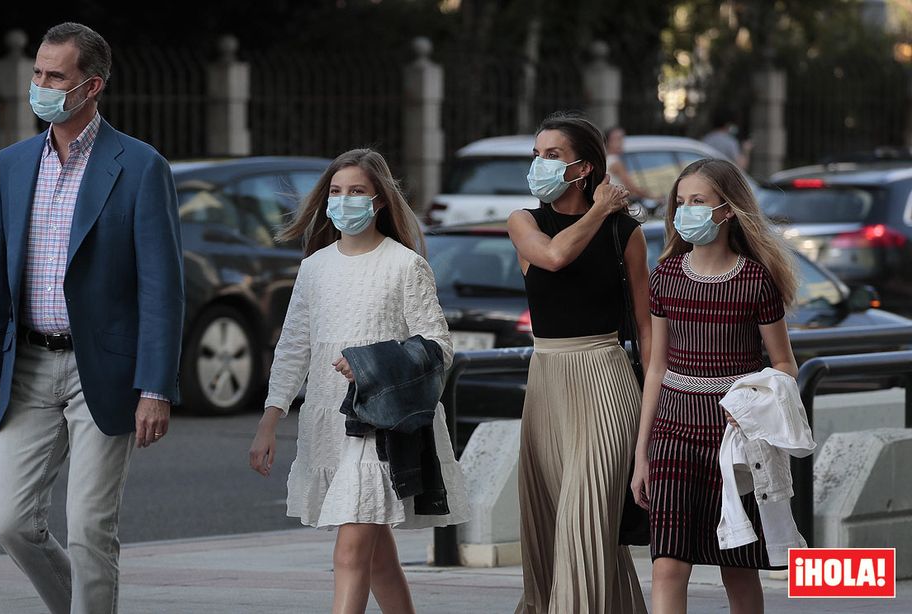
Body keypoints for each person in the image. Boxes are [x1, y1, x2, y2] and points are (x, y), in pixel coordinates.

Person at [0, 22, 183, 614]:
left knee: (89, 527)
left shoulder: (140, 167)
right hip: (27, 366)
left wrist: (155, 387)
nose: (41, 85)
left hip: (103, 372)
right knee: (8, 522)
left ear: (91, 86)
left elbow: (162, 289)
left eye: (54, 76)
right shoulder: (9, 166)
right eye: (37, 72)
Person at [248, 148, 469, 614]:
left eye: (356, 192)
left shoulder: (404, 265)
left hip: (380, 428)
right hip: (327, 420)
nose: (344, 200)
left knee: (350, 553)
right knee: (378, 559)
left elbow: (439, 347)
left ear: (380, 201)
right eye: (335, 191)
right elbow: (293, 348)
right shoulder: (315, 267)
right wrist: (269, 421)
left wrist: (371, 363)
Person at [632, 158, 799, 614]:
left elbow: (784, 364)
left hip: (736, 441)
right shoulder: (665, 276)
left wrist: (751, 400)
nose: (685, 211)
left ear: (726, 211)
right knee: (667, 564)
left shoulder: (755, 280)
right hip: (673, 434)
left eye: (698, 202)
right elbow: (656, 367)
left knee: (738, 566)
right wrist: (641, 453)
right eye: (680, 202)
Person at [507, 111, 650, 614]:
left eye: (552, 155)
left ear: (582, 168)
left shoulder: (625, 234)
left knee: (584, 522)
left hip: (605, 380)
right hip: (546, 382)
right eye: (536, 155)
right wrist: (598, 211)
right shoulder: (525, 222)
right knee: (550, 527)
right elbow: (552, 258)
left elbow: (647, 326)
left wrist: (654, 411)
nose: (539, 164)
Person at [605, 126, 653, 200]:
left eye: (622, 138)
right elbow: (631, 187)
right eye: (617, 139)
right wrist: (652, 197)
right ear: (608, 142)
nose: (621, 142)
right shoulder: (615, 162)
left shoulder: (606, 159)